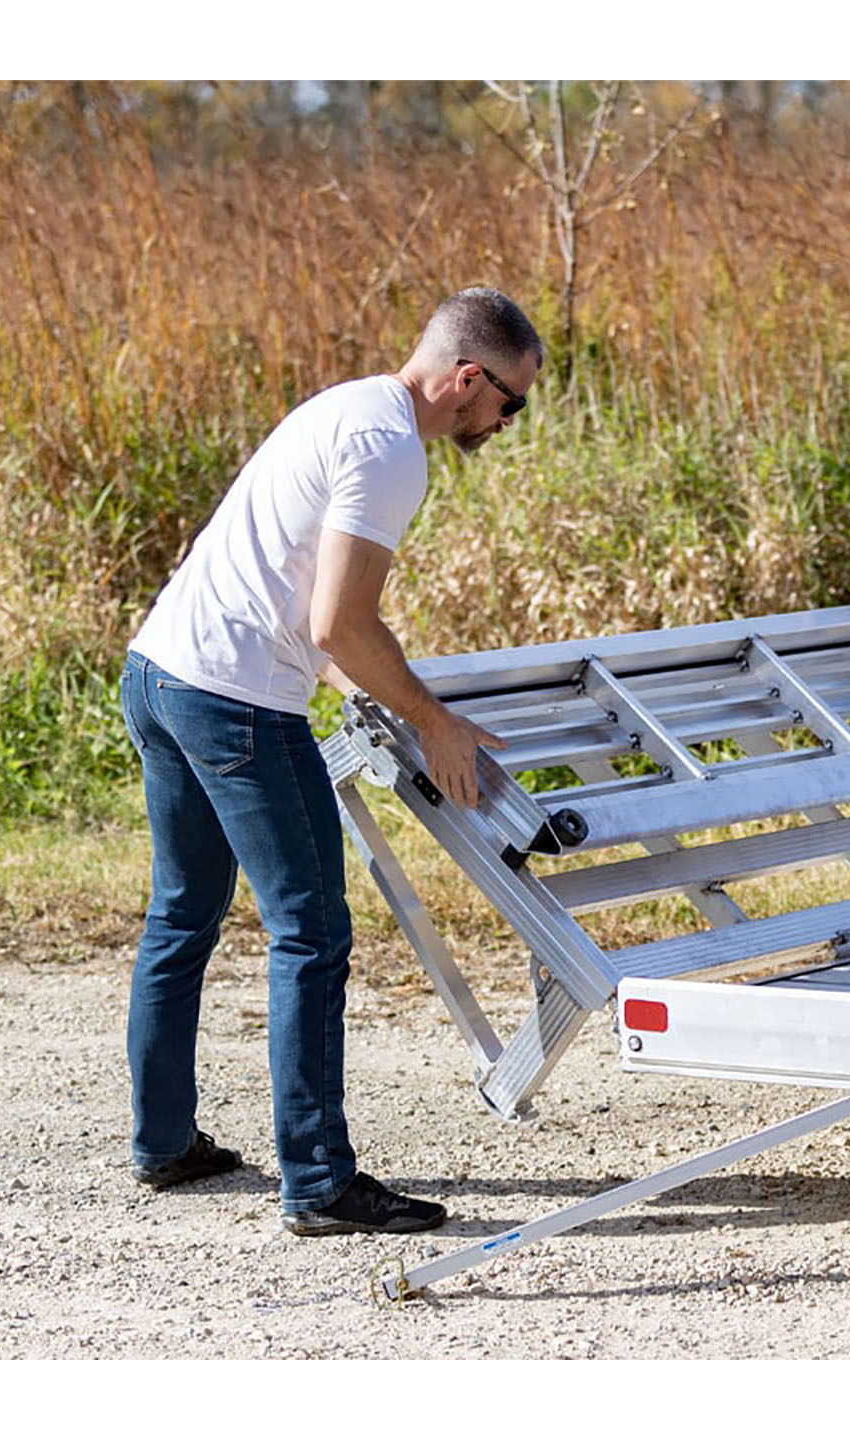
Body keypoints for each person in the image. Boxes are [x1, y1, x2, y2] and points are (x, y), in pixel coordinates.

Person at [120, 287, 541, 1235]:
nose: (508, 422)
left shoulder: (345, 404)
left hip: (158, 669)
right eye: (510, 402)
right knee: (311, 931)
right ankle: (317, 1182)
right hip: (236, 701)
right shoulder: (394, 451)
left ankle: (164, 1142)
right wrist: (434, 720)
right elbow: (339, 623)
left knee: (182, 913)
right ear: (468, 379)